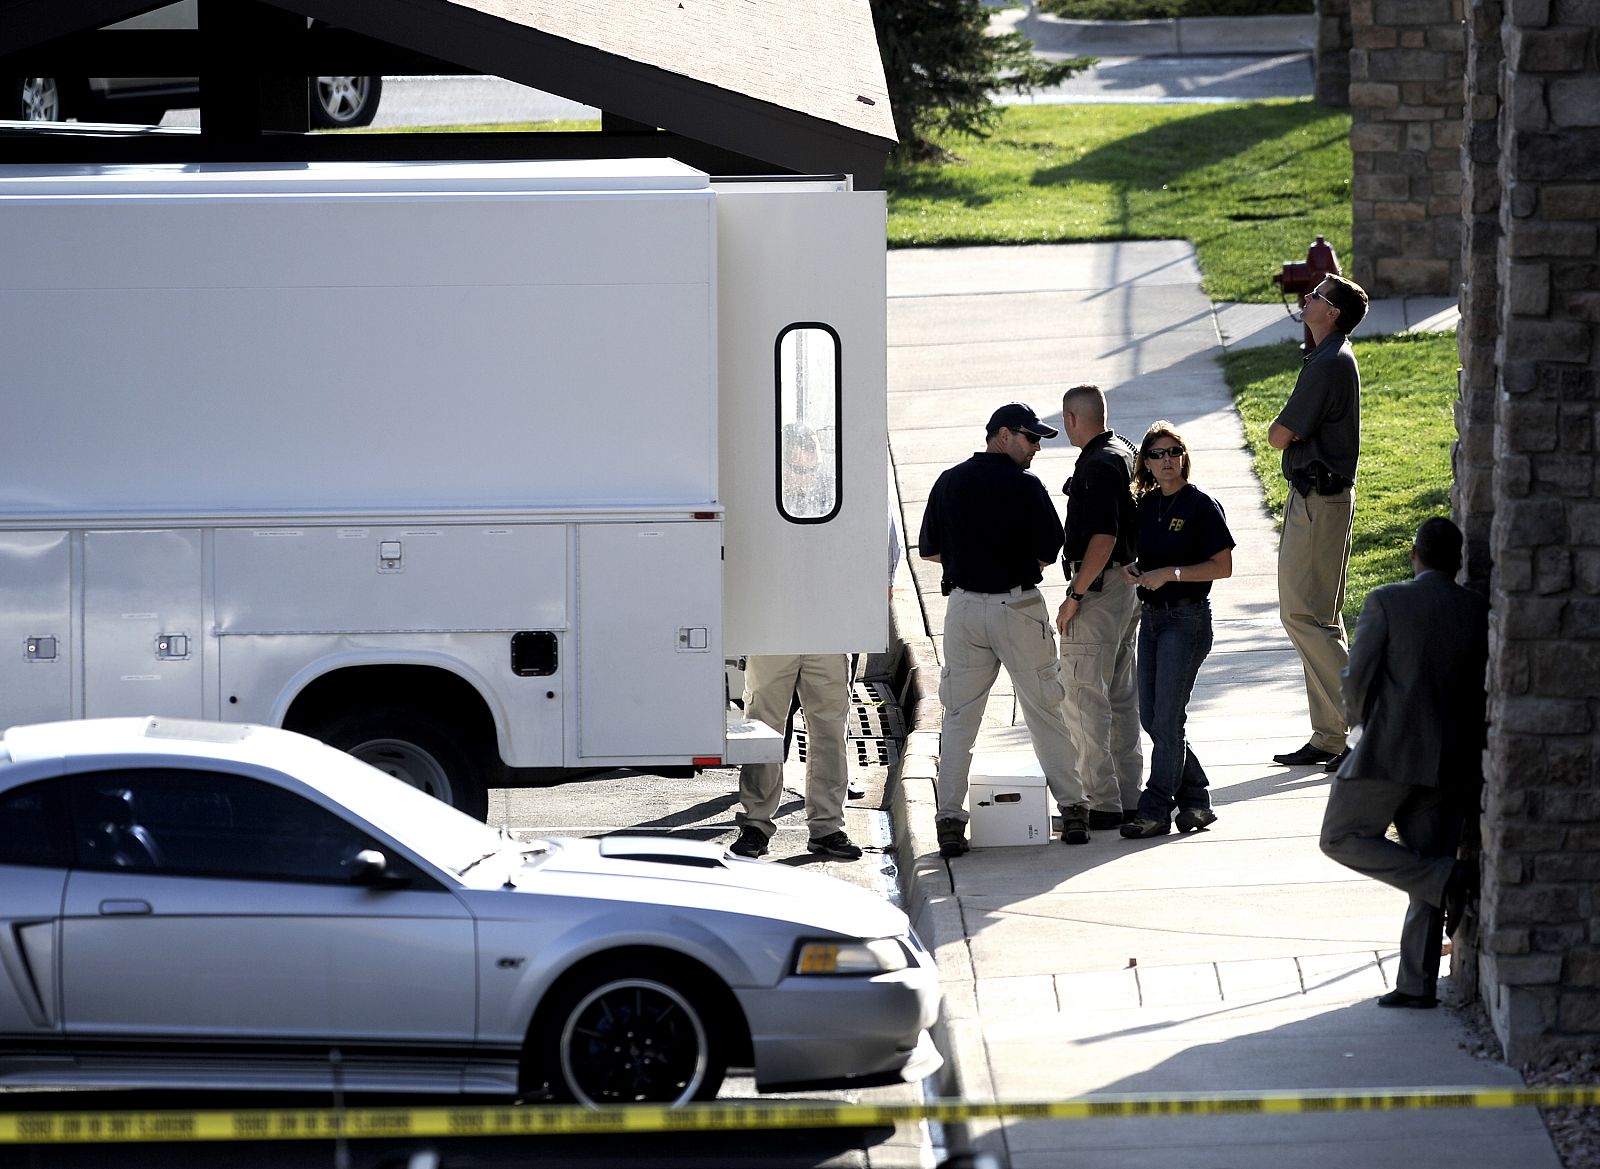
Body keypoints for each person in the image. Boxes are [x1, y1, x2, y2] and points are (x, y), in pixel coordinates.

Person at [1318, 517, 1488, 1009]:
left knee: (1341, 838)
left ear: (1414, 554)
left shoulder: (1387, 601)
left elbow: (1356, 678)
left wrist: (1359, 723)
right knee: (1426, 860)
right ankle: (1417, 984)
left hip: (1388, 751)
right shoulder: (1476, 609)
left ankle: (1447, 879)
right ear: (1457, 562)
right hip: (1452, 761)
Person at [919, 402, 1093, 856]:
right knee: (1045, 709)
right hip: (1017, 606)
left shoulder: (949, 481)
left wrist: (969, 562)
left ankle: (950, 819)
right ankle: (1073, 807)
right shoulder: (1026, 486)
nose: (1036, 447)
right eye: (1030, 438)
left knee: (960, 717)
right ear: (1002, 435)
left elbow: (931, 550)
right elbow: (1048, 551)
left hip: (962, 609)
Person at [1268, 273, 1369, 774]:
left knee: (1304, 617)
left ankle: (1361, 728)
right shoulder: (1327, 358)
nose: (1306, 299)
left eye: (1316, 296)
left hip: (1319, 501)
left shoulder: (1329, 363)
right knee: (1317, 618)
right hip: (1318, 500)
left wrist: (1278, 431)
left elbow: (1279, 435)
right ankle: (1330, 735)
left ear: (1332, 314)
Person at [1117, 423, 1235, 839]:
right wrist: (1139, 570)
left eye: (1173, 452)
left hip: (1187, 621)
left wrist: (1172, 573)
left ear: (1183, 456)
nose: (1166, 460)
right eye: (1157, 454)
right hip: (1151, 619)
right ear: (1146, 463)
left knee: (1167, 718)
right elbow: (1146, 557)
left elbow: (1223, 566)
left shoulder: (1201, 504)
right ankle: (1196, 801)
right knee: (1153, 717)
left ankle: (1154, 809)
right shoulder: (1147, 506)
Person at [1055, 384, 1143, 830]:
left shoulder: (1098, 464)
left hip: (1100, 590)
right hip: (1124, 590)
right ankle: (1127, 796)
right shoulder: (1123, 450)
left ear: (1072, 418)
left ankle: (1099, 801)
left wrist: (1075, 596)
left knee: (1083, 697)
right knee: (1119, 697)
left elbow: (1102, 538)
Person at [731, 653, 862, 860]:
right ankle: (756, 824)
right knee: (763, 730)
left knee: (831, 734)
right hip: (771, 636)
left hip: (828, 639)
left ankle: (827, 826)